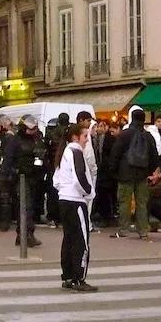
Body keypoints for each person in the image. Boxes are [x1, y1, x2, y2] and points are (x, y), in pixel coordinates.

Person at [53, 124, 98, 292]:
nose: (87, 139)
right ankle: (79, 278)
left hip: (64, 199)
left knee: (69, 239)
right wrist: (88, 193)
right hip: (76, 201)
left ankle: (68, 276)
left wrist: (65, 190)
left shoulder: (64, 153)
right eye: (85, 136)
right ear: (75, 137)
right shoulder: (76, 152)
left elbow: (56, 180)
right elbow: (80, 177)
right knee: (81, 241)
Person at [109, 108, 159, 239]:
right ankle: (143, 230)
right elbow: (154, 156)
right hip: (142, 174)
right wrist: (149, 171)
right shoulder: (148, 136)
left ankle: (123, 229)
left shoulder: (125, 134)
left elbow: (115, 154)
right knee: (142, 202)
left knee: (124, 202)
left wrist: (114, 171)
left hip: (125, 173)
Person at [0, 114, 45, 247]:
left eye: (34, 128)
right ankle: (26, 235)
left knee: (32, 207)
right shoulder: (15, 140)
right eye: (30, 129)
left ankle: (23, 235)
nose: (32, 131)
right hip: (20, 177)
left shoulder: (37, 139)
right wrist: (4, 178)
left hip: (34, 177)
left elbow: (42, 154)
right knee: (26, 206)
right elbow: (8, 159)